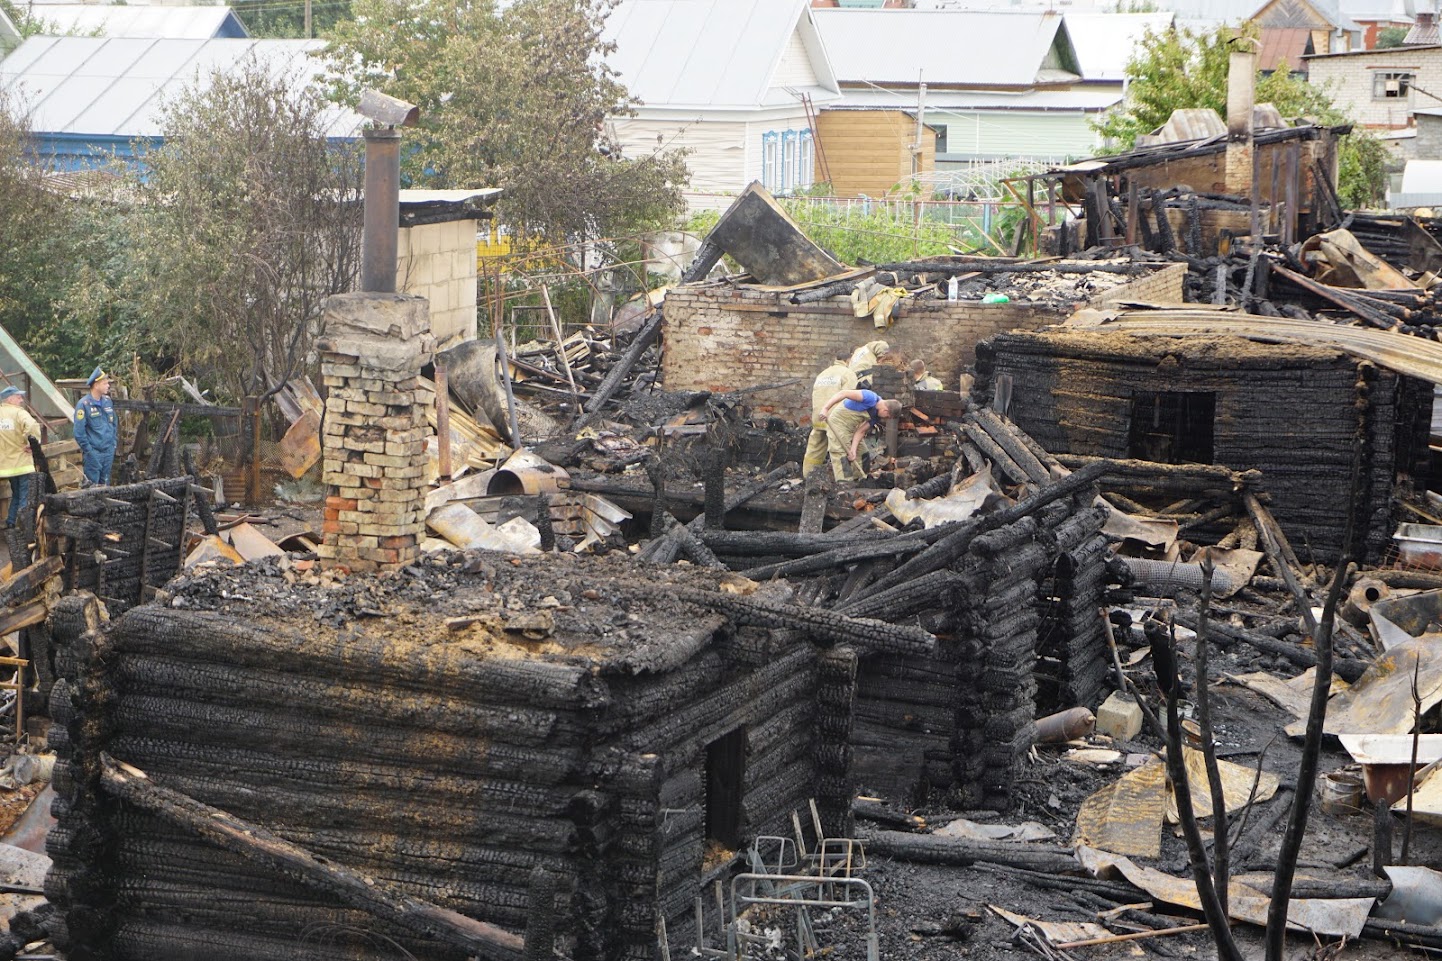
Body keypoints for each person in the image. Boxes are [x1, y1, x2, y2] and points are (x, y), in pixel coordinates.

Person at [815, 388, 902, 482]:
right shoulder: (869, 397)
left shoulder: (875, 416)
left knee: (863, 453)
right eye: (887, 417)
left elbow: (860, 432)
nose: (885, 419)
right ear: (885, 410)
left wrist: (853, 450)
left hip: (851, 428)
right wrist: (826, 408)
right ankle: (844, 483)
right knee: (842, 455)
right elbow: (844, 393)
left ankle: (860, 480)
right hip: (838, 424)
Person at [802, 359, 859, 479]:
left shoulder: (823, 374)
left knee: (814, 450)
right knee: (840, 451)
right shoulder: (847, 373)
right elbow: (849, 397)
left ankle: (808, 477)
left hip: (819, 416)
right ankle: (845, 481)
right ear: (848, 360)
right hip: (835, 419)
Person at [0, 387, 40, 529]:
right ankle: (23, 526)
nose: (21, 400)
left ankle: (11, 522)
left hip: (5, 466)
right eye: (18, 397)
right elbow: (32, 426)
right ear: (10, 399)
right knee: (24, 495)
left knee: (16, 493)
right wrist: (31, 444)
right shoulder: (19, 413)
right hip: (22, 463)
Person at [75, 367, 118, 487]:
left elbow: (114, 422)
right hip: (93, 453)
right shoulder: (84, 404)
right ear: (96, 385)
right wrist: (89, 451)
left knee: (105, 486)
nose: (108, 385)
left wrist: (113, 443)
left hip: (108, 451)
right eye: (105, 383)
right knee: (92, 488)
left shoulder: (107, 401)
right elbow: (79, 433)